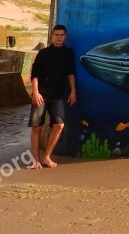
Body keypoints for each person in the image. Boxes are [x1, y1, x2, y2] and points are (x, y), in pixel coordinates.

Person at [28, 24, 76, 169]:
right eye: (57, 35)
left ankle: (46, 157)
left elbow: (70, 73)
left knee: (59, 125)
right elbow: (34, 75)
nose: (59, 37)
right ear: (52, 36)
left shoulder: (68, 53)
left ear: (65, 37)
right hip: (41, 94)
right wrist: (35, 92)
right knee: (37, 127)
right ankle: (36, 160)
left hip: (57, 96)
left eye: (62, 35)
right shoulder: (43, 53)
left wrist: (73, 91)